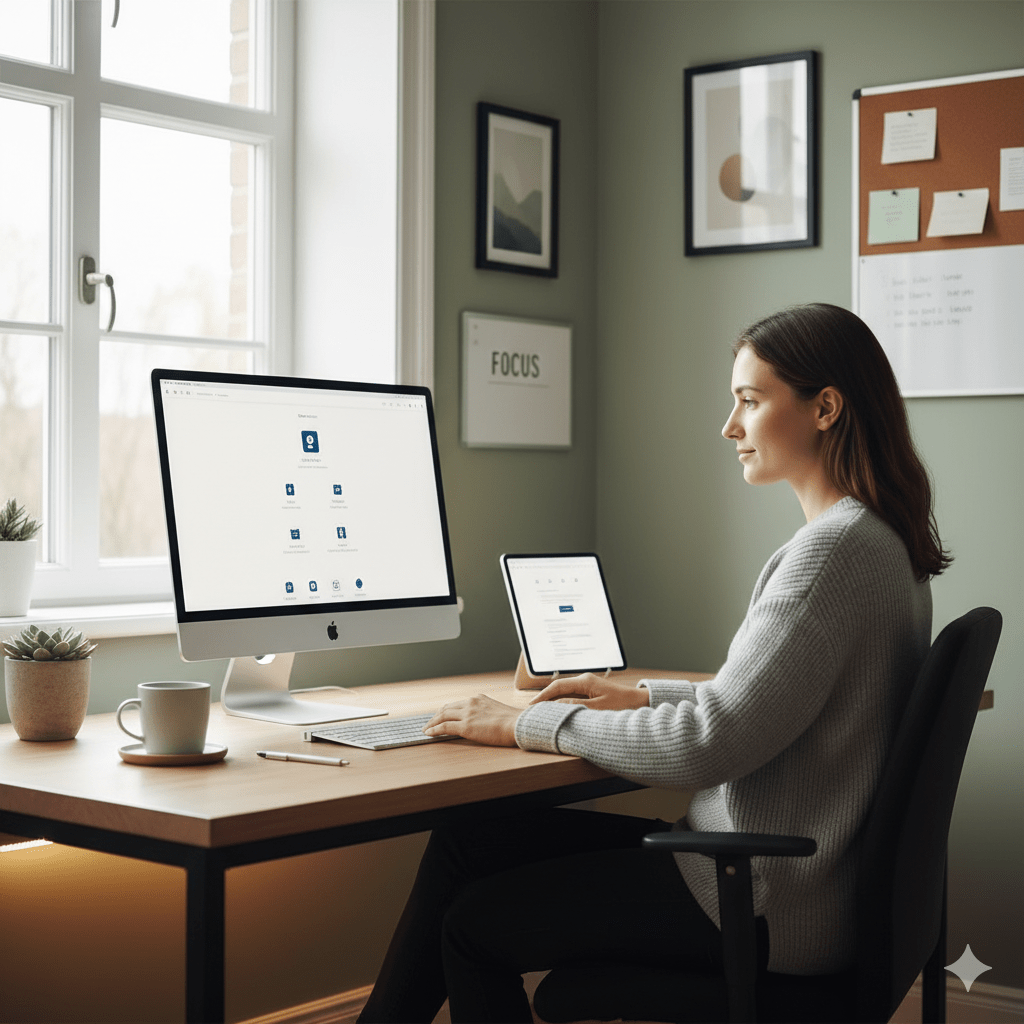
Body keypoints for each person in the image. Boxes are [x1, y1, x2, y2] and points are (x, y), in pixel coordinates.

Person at [356, 302, 951, 1024]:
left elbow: (708, 744)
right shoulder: (878, 541)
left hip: (758, 899)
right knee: (468, 844)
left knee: (473, 927)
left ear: (825, 408)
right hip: (787, 883)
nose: (729, 427)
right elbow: (769, 703)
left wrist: (529, 726)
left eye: (749, 401)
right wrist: (638, 697)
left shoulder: (830, 554)